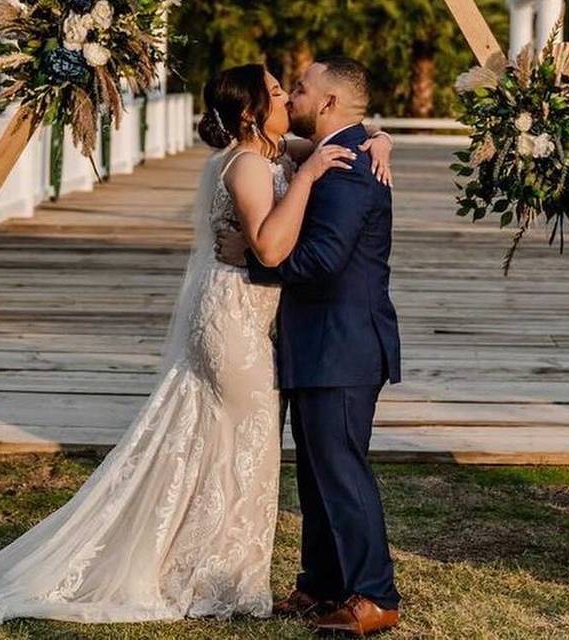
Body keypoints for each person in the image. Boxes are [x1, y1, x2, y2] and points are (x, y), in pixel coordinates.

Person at [0, 63, 393, 640]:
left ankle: (277, 578)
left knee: (250, 450)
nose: (289, 94)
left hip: (290, 328)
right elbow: (270, 248)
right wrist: (299, 191)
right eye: (278, 90)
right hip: (236, 323)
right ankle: (224, 574)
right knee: (242, 445)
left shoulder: (291, 154)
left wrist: (376, 136)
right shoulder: (259, 164)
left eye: (297, 88)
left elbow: (306, 209)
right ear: (252, 112)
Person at [216, 56, 401, 636]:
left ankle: (374, 595)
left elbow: (321, 260)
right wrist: (381, 135)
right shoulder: (338, 154)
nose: (291, 96)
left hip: (342, 345)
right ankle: (320, 584)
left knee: (342, 470)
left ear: (327, 104)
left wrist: (248, 256)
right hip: (316, 343)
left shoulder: (346, 171)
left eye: (299, 88)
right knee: (319, 473)